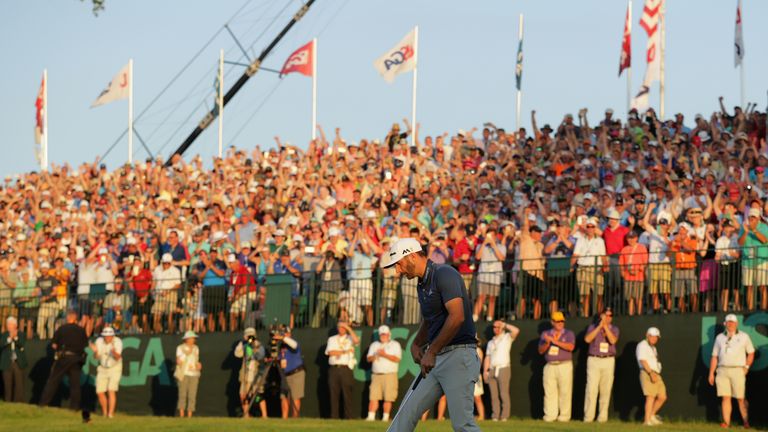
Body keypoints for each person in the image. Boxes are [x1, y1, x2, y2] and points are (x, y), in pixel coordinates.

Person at [383, 237, 481, 432]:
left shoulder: (444, 273)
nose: (398, 271)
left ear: (411, 257)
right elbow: (430, 320)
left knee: (463, 425)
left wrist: (432, 351)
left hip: (458, 356)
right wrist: (416, 343)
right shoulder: (422, 284)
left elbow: (457, 316)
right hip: (437, 358)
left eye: (399, 264)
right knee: (404, 416)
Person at [708, 314, 755, 428]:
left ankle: (745, 422)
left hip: (737, 369)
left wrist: (746, 367)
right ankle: (726, 423)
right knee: (725, 397)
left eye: (733, 322)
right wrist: (711, 373)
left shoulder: (744, 336)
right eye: (728, 322)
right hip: (722, 370)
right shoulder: (719, 337)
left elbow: (751, 353)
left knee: (740, 398)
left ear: (736, 323)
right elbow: (714, 356)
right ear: (725, 323)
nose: (730, 324)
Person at [39, 310, 89, 410]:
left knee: (53, 381)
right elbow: (85, 345)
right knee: (75, 384)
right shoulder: (81, 330)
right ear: (75, 318)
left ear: (67, 318)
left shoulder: (61, 329)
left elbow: (54, 345)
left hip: (63, 357)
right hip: (77, 359)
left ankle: (43, 404)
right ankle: (74, 408)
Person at [583, 308, 619, 423]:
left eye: (610, 315)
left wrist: (605, 327)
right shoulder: (592, 327)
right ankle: (588, 418)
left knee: (606, 390)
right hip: (594, 359)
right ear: (601, 316)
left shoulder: (614, 329)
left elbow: (613, 340)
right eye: (606, 315)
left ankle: (602, 418)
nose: (608, 317)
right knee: (591, 389)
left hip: (608, 360)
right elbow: (587, 339)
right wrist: (599, 326)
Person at [538, 310, 575, 422]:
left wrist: (554, 341)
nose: (560, 323)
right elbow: (540, 351)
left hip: (564, 365)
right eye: (557, 321)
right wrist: (547, 343)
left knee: (565, 392)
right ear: (552, 322)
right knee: (549, 392)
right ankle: (550, 415)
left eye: (562, 321)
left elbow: (570, 347)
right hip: (550, 365)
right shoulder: (546, 334)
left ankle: (564, 416)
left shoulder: (568, 333)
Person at [483, 320, 520, 422]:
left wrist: (505, 325)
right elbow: (487, 357)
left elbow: (516, 331)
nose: (496, 329)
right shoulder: (491, 342)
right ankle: (495, 415)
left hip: (503, 368)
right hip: (492, 369)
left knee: (503, 393)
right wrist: (485, 371)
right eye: (494, 327)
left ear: (502, 327)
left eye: (498, 327)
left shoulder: (507, 337)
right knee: (493, 395)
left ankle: (504, 416)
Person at [572, 217, 607, 317]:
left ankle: (599, 316)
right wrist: (570, 266)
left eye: (592, 227)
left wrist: (605, 266)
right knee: (585, 295)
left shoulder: (600, 240)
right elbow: (575, 255)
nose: (590, 228)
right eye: (588, 226)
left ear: (595, 228)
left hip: (597, 268)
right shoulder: (580, 240)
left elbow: (603, 256)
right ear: (586, 228)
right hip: (583, 268)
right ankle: (585, 316)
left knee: (599, 295)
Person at [365, 325, 402, 421]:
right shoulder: (374, 345)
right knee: (373, 397)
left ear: (389, 334)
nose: (383, 336)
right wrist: (376, 355)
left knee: (388, 397)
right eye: (382, 335)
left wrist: (384, 354)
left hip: (390, 375)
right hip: (376, 375)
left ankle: (385, 417)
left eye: (385, 334)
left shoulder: (395, 344)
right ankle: (371, 417)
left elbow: (397, 359)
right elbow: (368, 358)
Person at [325, 320, 359, 419]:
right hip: (334, 368)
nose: (342, 329)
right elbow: (330, 352)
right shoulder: (332, 339)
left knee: (347, 394)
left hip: (346, 368)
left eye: (344, 327)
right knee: (333, 393)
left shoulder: (350, 338)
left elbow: (357, 341)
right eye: (340, 327)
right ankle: (334, 416)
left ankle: (348, 417)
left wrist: (348, 328)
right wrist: (345, 351)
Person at [473, 226, 506, 322]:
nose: (490, 237)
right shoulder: (480, 246)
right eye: (489, 235)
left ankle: (489, 318)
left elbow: (501, 258)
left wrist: (493, 245)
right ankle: (474, 318)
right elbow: (478, 257)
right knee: (481, 297)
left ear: (496, 236)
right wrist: (484, 242)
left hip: (495, 277)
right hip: (483, 276)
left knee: (492, 299)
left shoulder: (501, 247)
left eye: (492, 235)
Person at [90, 326, 123, 418]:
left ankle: (110, 414)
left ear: (113, 336)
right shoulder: (99, 341)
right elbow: (96, 357)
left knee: (111, 390)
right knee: (99, 391)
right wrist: (95, 351)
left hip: (115, 367)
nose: (107, 338)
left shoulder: (118, 342)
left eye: (109, 336)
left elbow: (118, 357)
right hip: (102, 367)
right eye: (105, 336)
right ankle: (104, 413)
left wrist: (113, 352)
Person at [234, 327, 267, 418]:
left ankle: (264, 415)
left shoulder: (259, 346)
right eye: (247, 336)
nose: (249, 337)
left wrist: (254, 347)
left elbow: (260, 356)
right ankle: (246, 415)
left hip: (255, 375)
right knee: (243, 395)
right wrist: (240, 344)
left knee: (257, 396)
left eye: (250, 336)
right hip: (245, 375)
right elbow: (237, 354)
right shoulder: (244, 346)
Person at [636, 327, 666, 426]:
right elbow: (642, 360)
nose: (655, 339)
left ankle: (651, 416)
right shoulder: (642, 345)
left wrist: (655, 373)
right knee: (650, 397)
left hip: (656, 373)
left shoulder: (653, 348)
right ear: (648, 336)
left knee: (662, 397)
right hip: (647, 372)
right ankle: (646, 421)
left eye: (656, 337)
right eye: (653, 337)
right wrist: (651, 373)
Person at [276, 327, 305, 418]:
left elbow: (294, 345)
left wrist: (283, 338)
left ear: (289, 334)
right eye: (282, 333)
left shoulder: (293, 344)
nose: (283, 335)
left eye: (285, 333)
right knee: (284, 397)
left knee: (295, 397)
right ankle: (284, 418)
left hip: (296, 373)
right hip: (285, 375)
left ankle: (294, 418)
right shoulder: (281, 347)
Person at [0, 316, 27, 402]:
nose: (9, 326)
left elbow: (22, 344)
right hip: (7, 363)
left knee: (19, 384)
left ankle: (18, 402)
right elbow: (1, 345)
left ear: (15, 325)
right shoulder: (3, 335)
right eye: (8, 324)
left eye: (10, 324)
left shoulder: (21, 334)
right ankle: (7, 401)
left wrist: (15, 338)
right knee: (7, 384)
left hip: (17, 362)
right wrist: (9, 339)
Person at [176, 330, 202, 418]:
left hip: (194, 374)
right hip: (184, 374)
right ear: (186, 339)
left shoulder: (196, 348)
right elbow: (179, 361)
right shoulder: (180, 348)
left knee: (192, 395)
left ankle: (190, 415)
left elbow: (196, 360)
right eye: (191, 338)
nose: (193, 340)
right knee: (182, 394)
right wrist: (187, 352)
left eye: (194, 338)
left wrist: (198, 365)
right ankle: (181, 414)